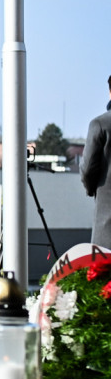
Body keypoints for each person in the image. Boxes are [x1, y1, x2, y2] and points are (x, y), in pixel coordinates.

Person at [82, 74, 111, 249]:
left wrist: (92, 190)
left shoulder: (100, 124)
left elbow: (87, 169)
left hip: (107, 221)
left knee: (103, 273)